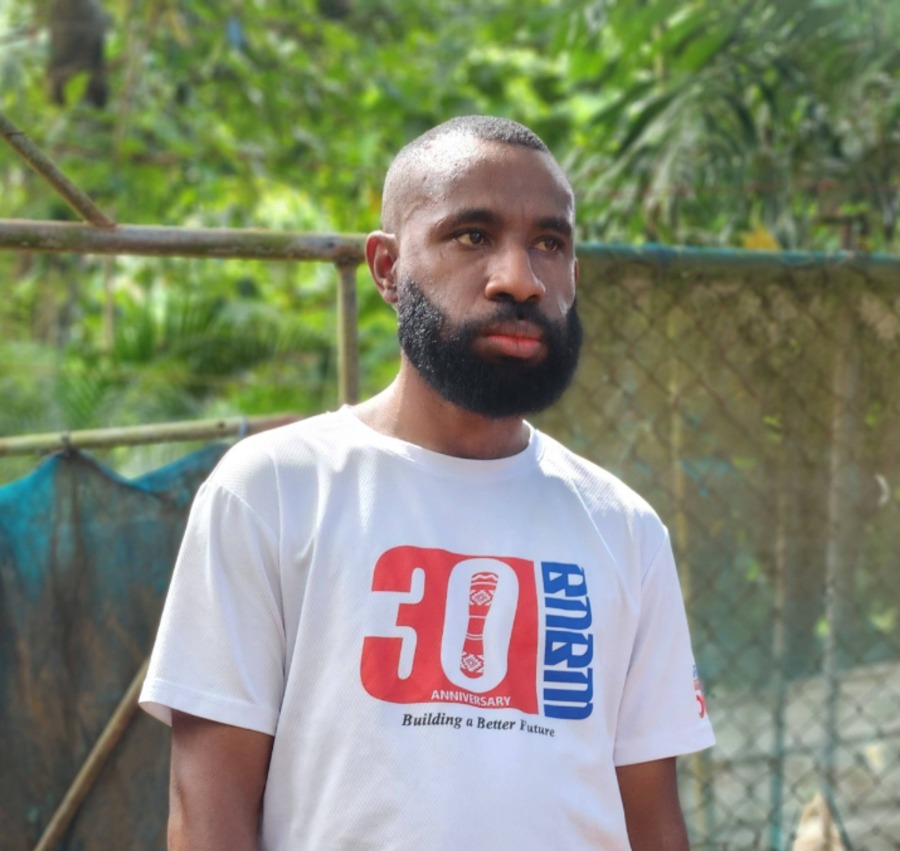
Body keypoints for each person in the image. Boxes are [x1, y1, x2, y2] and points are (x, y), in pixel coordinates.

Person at [140, 115, 714, 851]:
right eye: (472, 236)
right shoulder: (271, 492)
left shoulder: (625, 529)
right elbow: (206, 816)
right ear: (386, 268)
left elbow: (652, 822)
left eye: (550, 243)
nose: (520, 278)